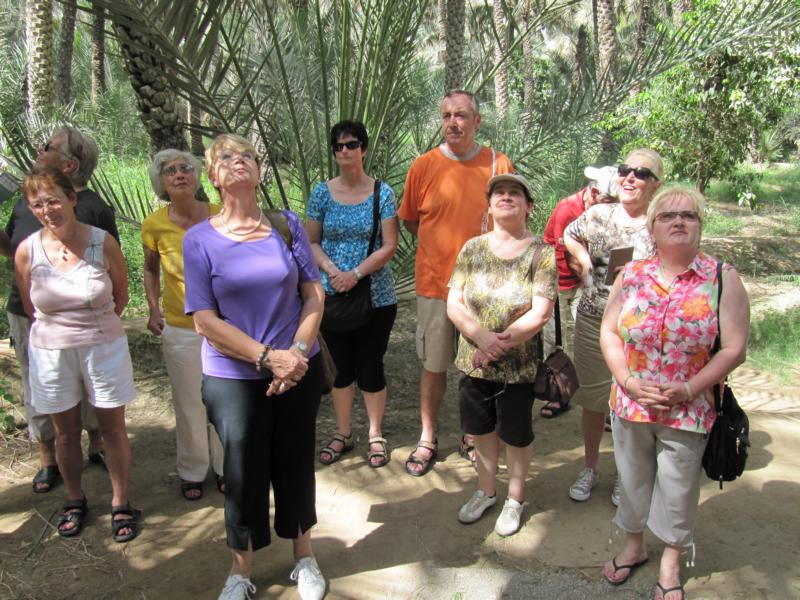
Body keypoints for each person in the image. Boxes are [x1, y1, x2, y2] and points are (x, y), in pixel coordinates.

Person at [183, 134, 326, 600]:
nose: (238, 162)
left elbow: (313, 294)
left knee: (295, 461)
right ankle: (240, 572)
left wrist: (296, 354)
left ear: (260, 171)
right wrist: (267, 357)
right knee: (242, 471)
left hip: (297, 370)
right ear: (212, 176)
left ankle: (304, 557)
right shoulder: (199, 239)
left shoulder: (286, 225)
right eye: (226, 157)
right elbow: (204, 320)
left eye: (247, 155)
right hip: (234, 377)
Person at [599, 185, 749, 599]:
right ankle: (633, 547)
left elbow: (734, 348)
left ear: (700, 226)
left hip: (690, 407)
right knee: (632, 480)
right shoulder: (631, 274)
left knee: (678, 488)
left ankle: (671, 561)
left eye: (688, 215)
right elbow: (609, 333)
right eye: (667, 215)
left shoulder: (722, 278)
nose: (678, 221)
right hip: (631, 403)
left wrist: (687, 388)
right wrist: (627, 381)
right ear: (652, 228)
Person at [14, 167, 139, 541]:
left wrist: (92, 327)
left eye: (53, 200)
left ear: (72, 199)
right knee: (65, 434)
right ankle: (74, 499)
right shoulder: (27, 251)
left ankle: (120, 502)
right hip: (51, 353)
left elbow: (120, 296)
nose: (47, 210)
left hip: (104, 348)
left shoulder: (103, 243)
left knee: (113, 429)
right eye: (38, 204)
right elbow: (31, 307)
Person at [398, 90, 514, 476]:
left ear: (477, 121)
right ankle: (428, 437)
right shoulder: (424, 166)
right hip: (435, 285)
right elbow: (411, 220)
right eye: (447, 115)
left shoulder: (498, 164)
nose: (453, 122)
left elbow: (511, 218)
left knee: (477, 367)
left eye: (461, 115)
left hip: (484, 289)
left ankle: (473, 435)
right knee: (434, 365)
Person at [1, 126, 118, 493]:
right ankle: (47, 456)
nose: (39, 151)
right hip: (30, 311)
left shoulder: (96, 208)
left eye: (47, 146)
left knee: (89, 382)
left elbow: (114, 270)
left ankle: (96, 443)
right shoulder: (25, 203)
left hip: (88, 319)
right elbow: (12, 248)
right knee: (38, 380)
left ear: (70, 165)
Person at [447, 173, 556, 536]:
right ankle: (486, 490)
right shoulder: (472, 249)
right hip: (474, 363)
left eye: (515, 193)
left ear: (529, 206)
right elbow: (454, 302)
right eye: (499, 193)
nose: (506, 198)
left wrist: (497, 345)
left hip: (518, 367)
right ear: (489, 205)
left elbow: (540, 313)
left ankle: (515, 499)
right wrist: (480, 337)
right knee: (480, 430)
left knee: (516, 434)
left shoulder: (541, 253)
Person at [563, 149, 663, 505]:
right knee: (593, 399)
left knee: (633, 400)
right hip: (593, 319)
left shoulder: (660, 222)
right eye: (625, 170)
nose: (630, 177)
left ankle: (627, 474)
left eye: (641, 173)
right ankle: (590, 468)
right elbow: (569, 234)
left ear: (656, 185)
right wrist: (584, 262)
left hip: (640, 329)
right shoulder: (598, 214)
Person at [305, 121, 398, 469]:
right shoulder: (321, 193)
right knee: (341, 369)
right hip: (331, 295)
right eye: (339, 146)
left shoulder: (382, 193)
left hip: (375, 296)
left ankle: (375, 434)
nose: (345, 151)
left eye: (352, 144)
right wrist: (333, 272)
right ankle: (343, 433)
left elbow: (389, 245)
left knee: (371, 365)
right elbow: (310, 240)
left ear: (363, 148)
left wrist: (355, 274)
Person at [142, 149, 225, 500]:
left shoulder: (221, 215)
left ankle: (226, 467)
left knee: (224, 399)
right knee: (189, 401)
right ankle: (192, 470)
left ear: (197, 175)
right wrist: (153, 308)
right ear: (161, 183)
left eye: (185, 168)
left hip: (224, 326)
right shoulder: (153, 225)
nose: (179, 174)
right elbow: (150, 269)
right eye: (170, 171)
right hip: (180, 327)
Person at [540, 165, 618, 418]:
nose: (612, 207)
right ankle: (559, 393)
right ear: (594, 193)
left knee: (589, 338)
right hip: (562, 282)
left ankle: (604, 401)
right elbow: (569, 256)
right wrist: (590, 278)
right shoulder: (568, 209)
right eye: (609, 201)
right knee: (556, 338)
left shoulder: (612, 213)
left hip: (591, 283)